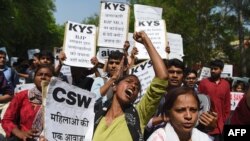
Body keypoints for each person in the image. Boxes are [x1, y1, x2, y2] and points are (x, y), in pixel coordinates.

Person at [92, 31, 168, 141]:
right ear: (115, 87)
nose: (133, 86)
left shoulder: (139, 115)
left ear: (136, 96)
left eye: (137, 87)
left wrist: (146, 41)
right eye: (129, 81)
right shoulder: (96, 116)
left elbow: (162, 78)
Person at [2, 64, 54, 140]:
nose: (43, 77)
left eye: (47, 75)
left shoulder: (59, 101)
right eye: (40, 74)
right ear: (34, 78)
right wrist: (20, 133)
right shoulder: (22, 96)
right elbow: (7, 120)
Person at [147, 87, 214, 141]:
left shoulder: (203, 138)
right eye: (180, 110)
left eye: (193, 110)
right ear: (168, 114)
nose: (188, 116)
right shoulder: (158, 138)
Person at [198, 59, 231, 141]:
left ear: (221, 70)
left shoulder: (226, 84)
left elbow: (227, 104)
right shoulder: (203, 83)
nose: (212, 71)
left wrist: (223, 120)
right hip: (206, 125)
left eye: (215, 69)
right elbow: (199, 102)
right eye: (211, 69)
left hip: (220, 126)